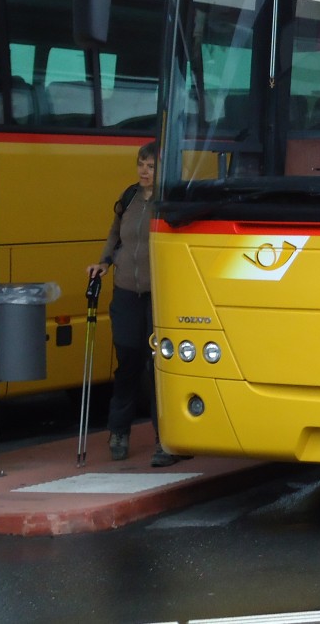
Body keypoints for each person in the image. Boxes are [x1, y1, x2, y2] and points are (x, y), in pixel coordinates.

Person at [86, 141, 183, 467]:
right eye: (141, 164)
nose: (144, 171)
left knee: (158, 368)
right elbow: (115, 234)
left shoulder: (169, 201)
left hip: (160, 295)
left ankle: (166, 440)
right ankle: (118, 432)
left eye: (151, 166)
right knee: (127, 360)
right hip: (127, 291)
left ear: (162, 169)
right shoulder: (129, 197)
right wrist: (104, 262)